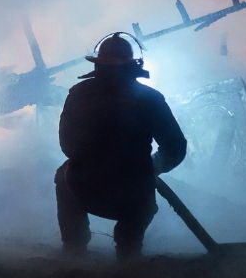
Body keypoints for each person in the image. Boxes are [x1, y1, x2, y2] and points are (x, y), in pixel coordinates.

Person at [55, 33, 187, 259]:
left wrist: (88, 161)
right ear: (134, 64)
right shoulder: (150, 98)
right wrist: (152, 167)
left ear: (98, 64)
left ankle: (74, 250)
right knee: (140, 206)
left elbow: (67, 143)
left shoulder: (78, 93)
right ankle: (128, 252)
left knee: (63, 174)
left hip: (84, 187)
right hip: (132, 193)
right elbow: (175, 147)